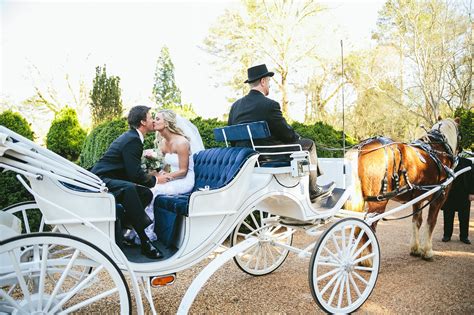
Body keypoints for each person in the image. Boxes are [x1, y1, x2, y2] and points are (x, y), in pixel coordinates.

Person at [228, 64, 334, 202]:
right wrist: (297, 137)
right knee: (309, 145)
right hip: (266, 156)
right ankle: (313, 190)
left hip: (244, 157)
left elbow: (231, 137)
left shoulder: (235, 106)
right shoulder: (269, 105)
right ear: (263, 81)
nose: (269, 85)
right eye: (269, 82)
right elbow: (286, 135)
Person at [91, 105, 167, 259]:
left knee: (145, 194)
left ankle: (124, 231)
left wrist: (149, 176)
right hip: (102, 179)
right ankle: (145, 241)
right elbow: (134, 176)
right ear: (143, 122)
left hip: (110, 178)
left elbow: (131, 171)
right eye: (150, 116)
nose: (153, 120)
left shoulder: (133, 137)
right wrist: (156, 179)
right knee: (130, 189)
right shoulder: (133, 140)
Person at [128, 109, 204, 243]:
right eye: (154, 118)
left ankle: (147, 234)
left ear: (167, 123)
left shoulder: (181, 143)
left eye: (157, 119)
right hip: (172, 178)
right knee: (140, 188)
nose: (153, 121)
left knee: (152, 190)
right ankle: (136, 230)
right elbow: (163, 166)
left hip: (184, 181)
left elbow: (183, 171)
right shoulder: (163, 143)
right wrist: (156, 173)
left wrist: (165, 177)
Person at [441, 157, 474, 244]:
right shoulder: (444, 160)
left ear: (458, 150)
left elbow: (472, 178)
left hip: (464, 193)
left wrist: (472, 192)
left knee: (464, 216)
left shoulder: (467, 162)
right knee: (448, 215)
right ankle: (447, 235)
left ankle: (464, 237)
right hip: (449, 193)